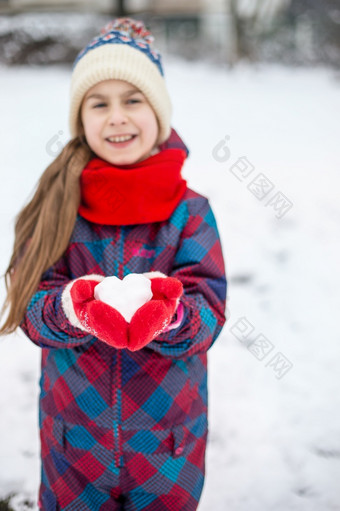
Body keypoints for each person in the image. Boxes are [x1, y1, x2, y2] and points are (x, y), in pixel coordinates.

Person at [0, 18, 227, 511]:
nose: (117, 117)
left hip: (169, 446)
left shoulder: (190, 213)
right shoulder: (58, 204)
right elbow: (32, 299)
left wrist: (169, 314)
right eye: (98, 104)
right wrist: (72, 310)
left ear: (159, 112)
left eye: (133, 100)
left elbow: (208, 308)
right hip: (72, 446)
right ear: (81, 119)